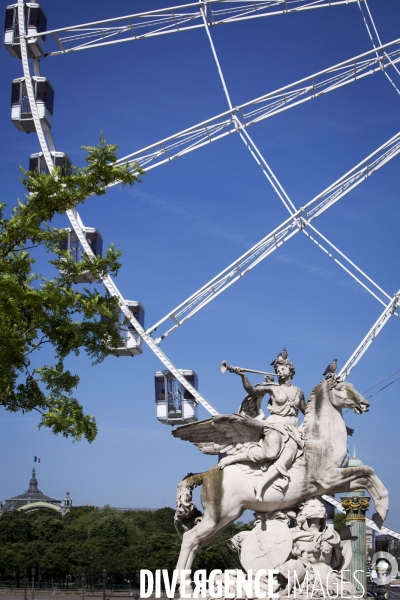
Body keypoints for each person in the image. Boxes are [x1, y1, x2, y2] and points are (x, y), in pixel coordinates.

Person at [219, 356, 306, 501]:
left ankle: (261, 485)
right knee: (271, 452)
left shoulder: (298, 392)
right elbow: (252, 390)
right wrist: (242, 375)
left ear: (290, 371)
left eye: (283, 368)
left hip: (292, 431)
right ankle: (233, 458)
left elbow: (307, 411)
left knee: (287, 458)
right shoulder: (272, 388)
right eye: (278, 369)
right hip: (275, 426)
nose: (280, 371)